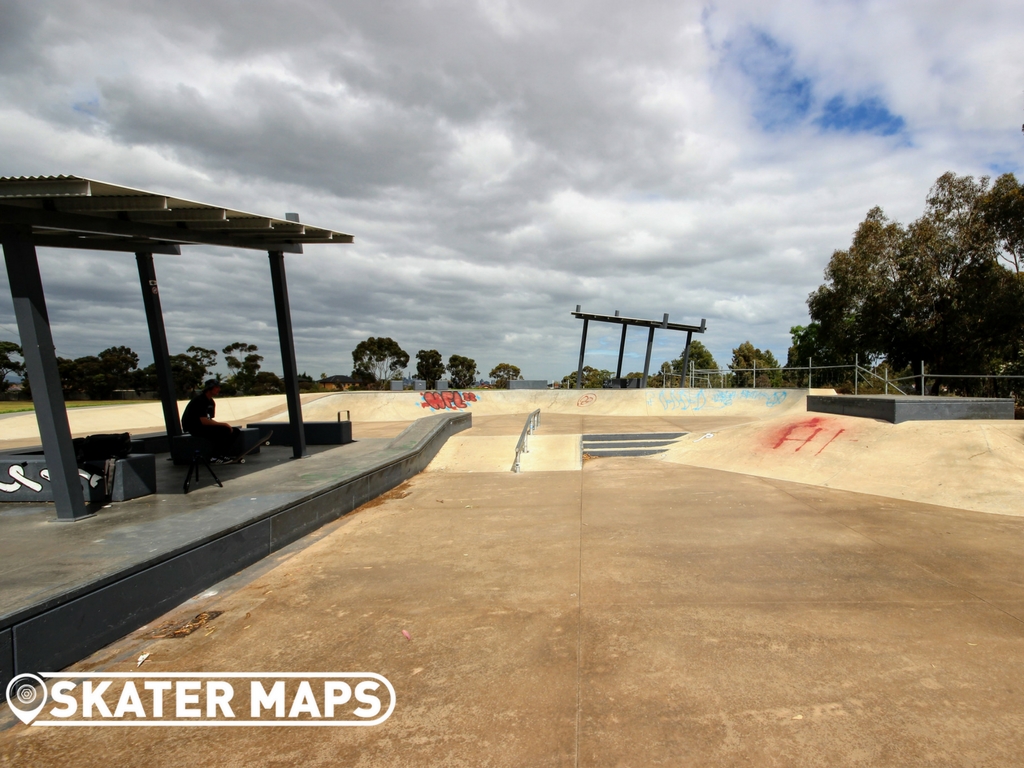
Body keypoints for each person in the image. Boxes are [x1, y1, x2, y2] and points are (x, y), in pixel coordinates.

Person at [181, 379, 239, 460]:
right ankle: (215, 456)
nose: (219, 389)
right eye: (216, 387)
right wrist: (223, 424)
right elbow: (203, 421)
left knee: (234, 431)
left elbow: (209, 419)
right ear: (209, 388)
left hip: (203, 426)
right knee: (224, 430)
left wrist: (225, 426)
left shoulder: (211, 402)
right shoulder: (200, 400)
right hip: (195, 427)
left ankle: (224, 454)